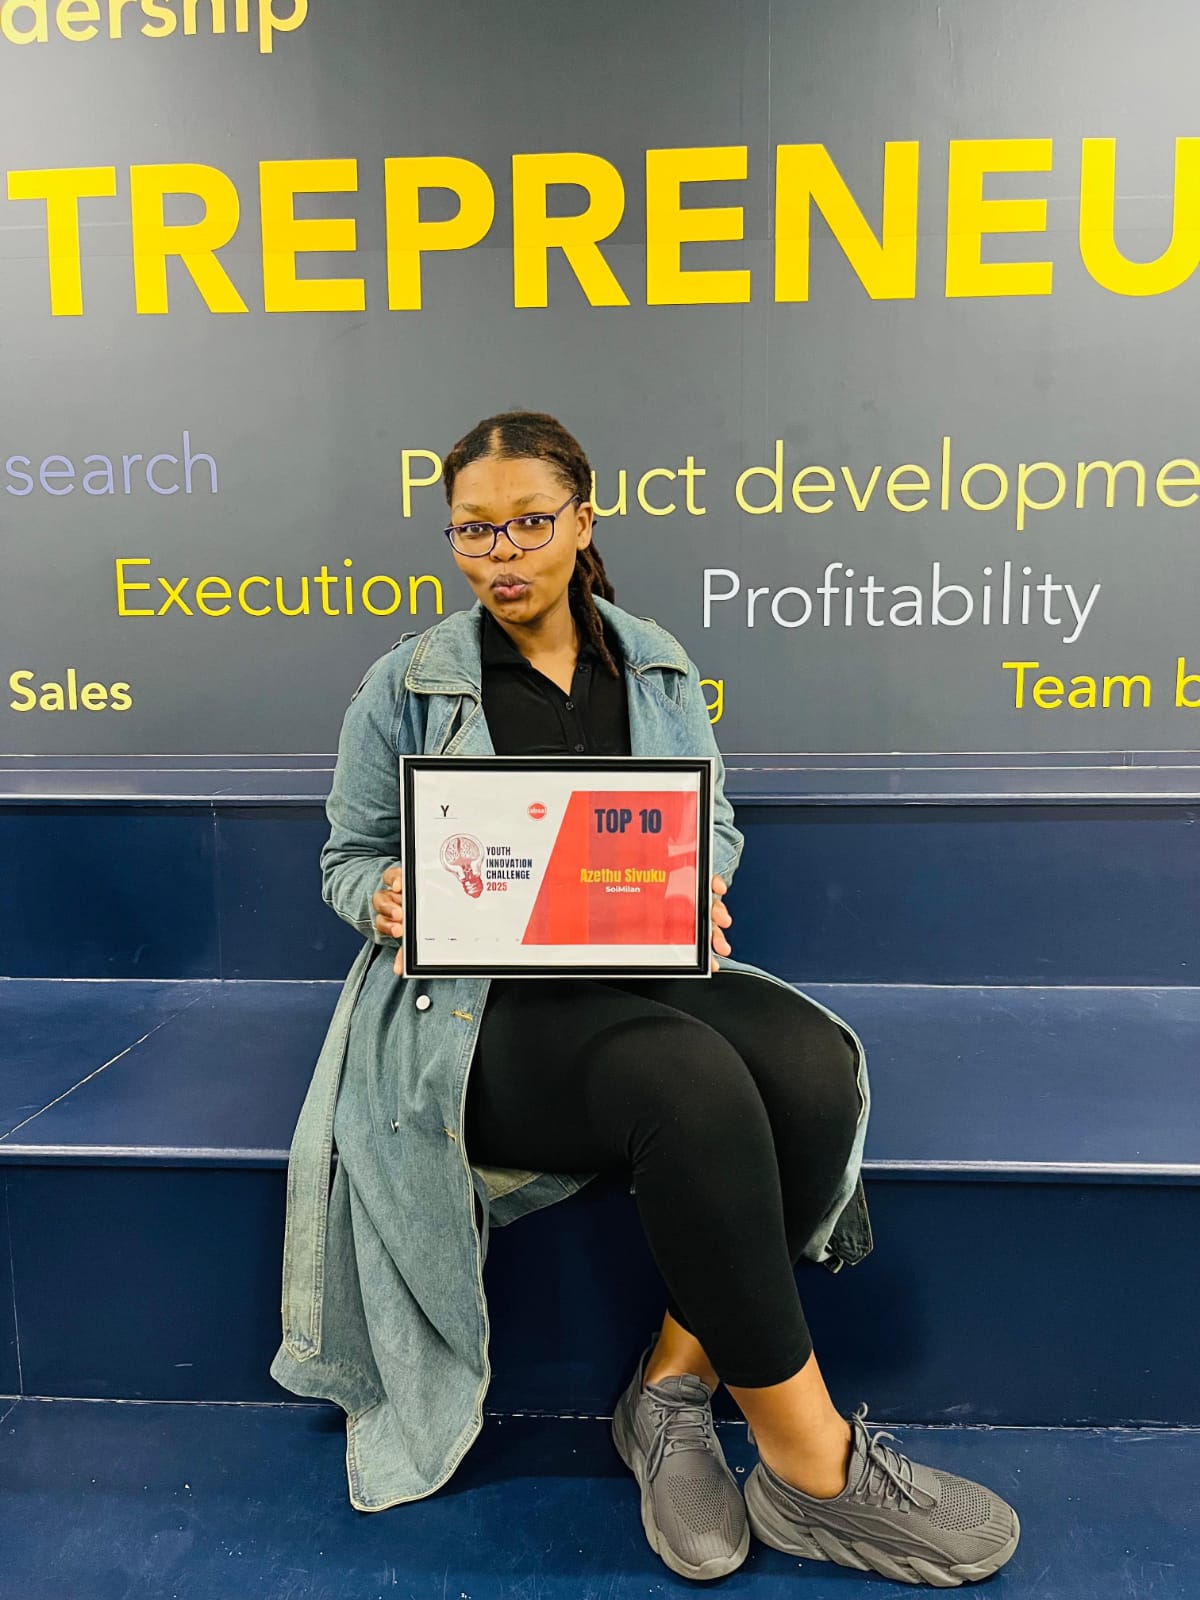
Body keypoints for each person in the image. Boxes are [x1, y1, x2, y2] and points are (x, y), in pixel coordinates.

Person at [270, 411, 1019, 1587]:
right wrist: (386, 896)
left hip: (632, 973)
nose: (501, 553)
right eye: (474, 530)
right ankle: (813, 1468)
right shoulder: (406, 683)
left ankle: (668, 1389)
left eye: (528, 523)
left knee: (812, 1063)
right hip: (477, 1015)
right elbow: (345, 858)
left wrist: (691, 887)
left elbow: (707, 823)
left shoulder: (653, 660)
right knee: (687, 1080)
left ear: (582, 521)